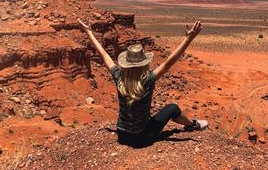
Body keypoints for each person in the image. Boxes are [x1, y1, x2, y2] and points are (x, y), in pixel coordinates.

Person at [78, 19, 208, 147]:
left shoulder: (119, 77)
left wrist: (89, 32)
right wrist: (188, 39)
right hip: (142, 138)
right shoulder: (147, 80)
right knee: (173, 108)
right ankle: (192, 125)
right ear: (143, 64)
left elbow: (104, 55)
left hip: (122, 135)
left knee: (149, 117)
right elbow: (169, 62)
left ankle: (190, 125)